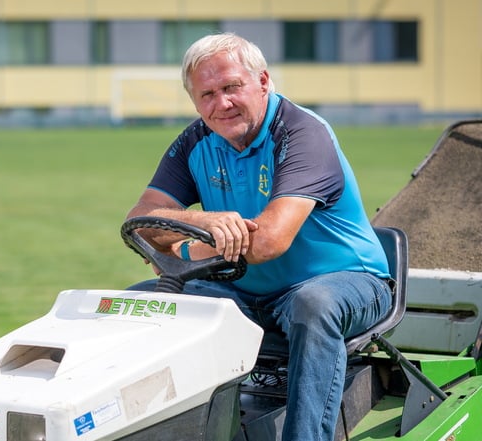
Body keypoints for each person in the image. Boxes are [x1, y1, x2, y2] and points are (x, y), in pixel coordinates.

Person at [125, 33, 392, 441]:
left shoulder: (303, 133)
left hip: (347, 280)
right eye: (207, 94)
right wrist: (210, 222)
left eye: (231, 87)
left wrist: (180, 244)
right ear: (195, 101)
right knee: (139, 301)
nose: (222, 103)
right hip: (245, 291)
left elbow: (268, 241)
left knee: (313, 305)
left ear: (263, 81)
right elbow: (140, 221)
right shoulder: (195, 141)